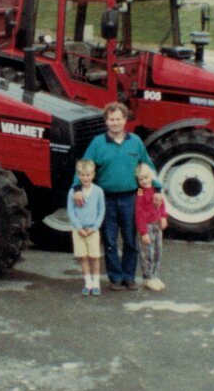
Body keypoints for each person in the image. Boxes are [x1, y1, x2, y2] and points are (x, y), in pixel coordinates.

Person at [74, 102, 161, 291]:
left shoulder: (135, 142)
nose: (115, 123)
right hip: (106, 199)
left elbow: (148, 166)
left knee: (130, 239)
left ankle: (129, 277)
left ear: (125, 120)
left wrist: (158, 189)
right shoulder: (97, 143)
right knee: (110, 240)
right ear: (106, 121)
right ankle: (115, 278)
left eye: (118, 119)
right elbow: (85, 165)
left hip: (132, 197)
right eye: (111, 119)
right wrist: (77, 188)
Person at [67, 159, 105, 296]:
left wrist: (95, 227)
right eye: (82, 175)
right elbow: (71, 211)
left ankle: (96, 283)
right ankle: (88, 283)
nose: (85, 178)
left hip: (93, 230)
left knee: (95, 257)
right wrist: (78, 228)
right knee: (83, 257)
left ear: (93, 175)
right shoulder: (73, 192)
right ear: (78, 175)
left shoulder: (98, 191)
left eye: (88, 174)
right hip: (79, 230)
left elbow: (101, 210)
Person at [135, 163, 168, 291]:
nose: (144, 181)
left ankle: (155, 275)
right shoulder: (140, 192)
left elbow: (162, 204)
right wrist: (143, 232)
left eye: (146, 178)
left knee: (157, 252)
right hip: (147, 227)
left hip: (157, 225)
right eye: (141, 179)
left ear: (151, 177)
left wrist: (163, 216)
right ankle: (148, 278)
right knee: (147, 253)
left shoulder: (156, 189)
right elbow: (139, 212)